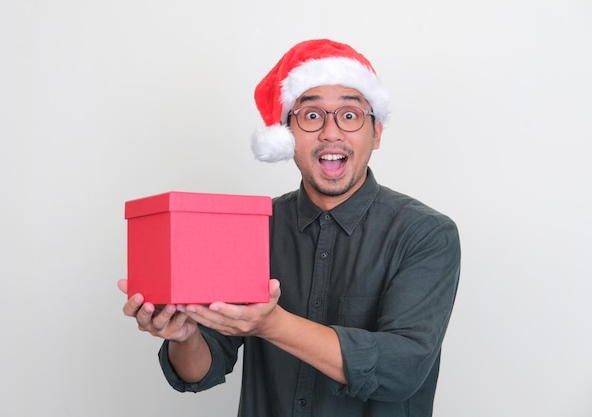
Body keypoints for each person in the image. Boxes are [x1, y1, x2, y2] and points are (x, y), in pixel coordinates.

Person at [119, 38, 461, 417]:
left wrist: (273, 324)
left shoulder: (426, 234)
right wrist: (186, 336)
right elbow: (201, 368)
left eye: (350, 115)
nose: (331, 133)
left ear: (376, 133)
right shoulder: (254, 228)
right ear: (286, 135)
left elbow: (403, 367)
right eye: (312, 116)